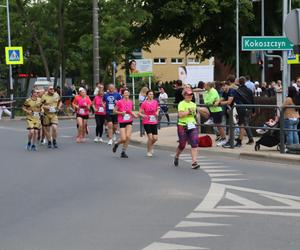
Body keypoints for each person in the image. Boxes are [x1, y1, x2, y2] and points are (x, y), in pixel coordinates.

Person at [173, 88, 200, 169]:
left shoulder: (193, 104)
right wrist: (188, 111)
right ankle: (177, 156)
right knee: (182, 144)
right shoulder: (181, 104)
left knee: (194, 143)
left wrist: (197, 117)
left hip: (192, 125)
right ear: (184, 95)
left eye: (191, 94)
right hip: (182, 125)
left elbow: (195, 115)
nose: (190, 96)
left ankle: (194, 162)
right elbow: (180, 115)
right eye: (188, 94)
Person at [112, 89, 138, 158]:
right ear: (123, 95)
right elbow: (114, 111)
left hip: (129, 121)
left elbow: (129, 111)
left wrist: (134, 115)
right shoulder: (119, 102)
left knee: (128, 137)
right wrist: (121, 113)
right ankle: (117, 144)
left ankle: (123, 152)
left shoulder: (130, 102)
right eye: (125, 94)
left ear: (129, 94)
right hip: (122, 121)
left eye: (127, 93)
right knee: (123, 139)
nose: (126, 95)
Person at [203, 82, 226, 146]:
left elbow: (210, 100)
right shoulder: (206, 92)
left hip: (217, 110)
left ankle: (224, 139)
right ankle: (210, 119)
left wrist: (210, 102)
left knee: (219, 126)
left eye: (205, 85)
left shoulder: (213, 91)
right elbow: (205, 101)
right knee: (218, 126)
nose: (204, 86)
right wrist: (209, 102)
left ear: (208, 86)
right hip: (211, 110)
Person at [139, 90, 160, 157]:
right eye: (150, 94)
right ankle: (149, 150)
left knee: (155, 138)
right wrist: (143, 115)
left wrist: (157, 112)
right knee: (150, 138)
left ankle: (150, 145)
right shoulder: (144, 103)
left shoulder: (155, 102)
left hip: (154, 121)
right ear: (147, 95)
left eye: (152, 94)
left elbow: (158, 108)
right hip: (146, 121)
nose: (151, 95)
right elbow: (140, 112)